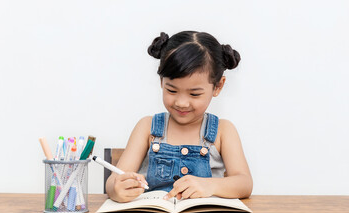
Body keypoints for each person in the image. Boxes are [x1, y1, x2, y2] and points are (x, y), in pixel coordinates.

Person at [106, 31, 253, 203]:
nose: (182, 103)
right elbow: (113, 180)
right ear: (161, 81)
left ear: (218, 86)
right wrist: (116, 189)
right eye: (172, 90)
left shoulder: (223, 131)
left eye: (194, 94)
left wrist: (210, 186)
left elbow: (244, 183)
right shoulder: (147, 127)